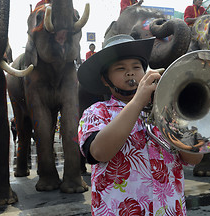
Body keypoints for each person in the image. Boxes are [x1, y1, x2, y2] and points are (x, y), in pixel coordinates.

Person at [77, 34, 203, 215]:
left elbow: (194, 159)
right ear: (105, 79)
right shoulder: (97, 111)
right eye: (120, 68)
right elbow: (98, 152)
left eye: (136, 67)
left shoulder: (165, 110)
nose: (130, 72)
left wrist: (173, 114)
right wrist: (137, 102)